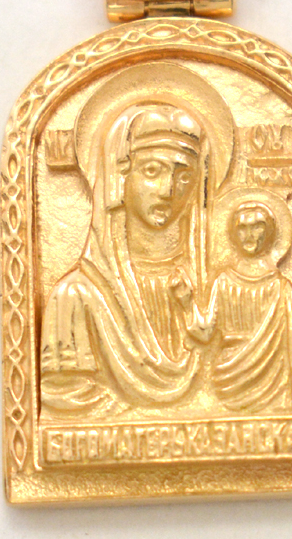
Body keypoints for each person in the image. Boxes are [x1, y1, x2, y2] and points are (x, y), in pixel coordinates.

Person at [39, 101, 214, 417]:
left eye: (184, 176)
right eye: (152, 171)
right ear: (120, 176)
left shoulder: (212, 292)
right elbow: (64, 410)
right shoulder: (75, 297)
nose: (168, 190)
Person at [206, 190, 292, 418]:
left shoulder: (281, 289)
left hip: (274, 385)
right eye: (242, 228)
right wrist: (184, 301)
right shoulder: (222, 282)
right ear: (232, 234)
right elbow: (205, 331)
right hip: (227, 381)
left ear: (270, 234)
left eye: (257, 227)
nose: (249, 235)